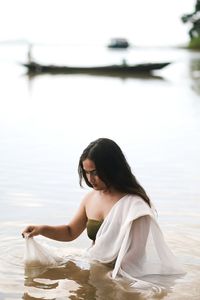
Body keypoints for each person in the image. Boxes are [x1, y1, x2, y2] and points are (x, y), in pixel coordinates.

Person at [22, 138, 184, 287]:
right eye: (86, 172)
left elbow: (136, 254)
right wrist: (41, 229)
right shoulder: (90, 199)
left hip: (123, 276)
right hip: (96, 265)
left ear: (112, 168)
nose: (91, 179)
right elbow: (70, 232)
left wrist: (111, 278)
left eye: (95, 172)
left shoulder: (135, 205)